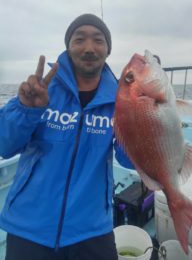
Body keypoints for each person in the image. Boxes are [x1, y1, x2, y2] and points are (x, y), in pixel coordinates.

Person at [0, 14, 133, 260]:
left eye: (98, 40)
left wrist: (147, 122)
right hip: (30, 225)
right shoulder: (41, 89)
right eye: (79, 39)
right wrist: (25, 109)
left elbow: (129, 162)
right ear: (68, 46)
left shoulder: (120, 100)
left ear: (108, 50)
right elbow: (5, 145)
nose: (89, 48)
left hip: (92, 228)